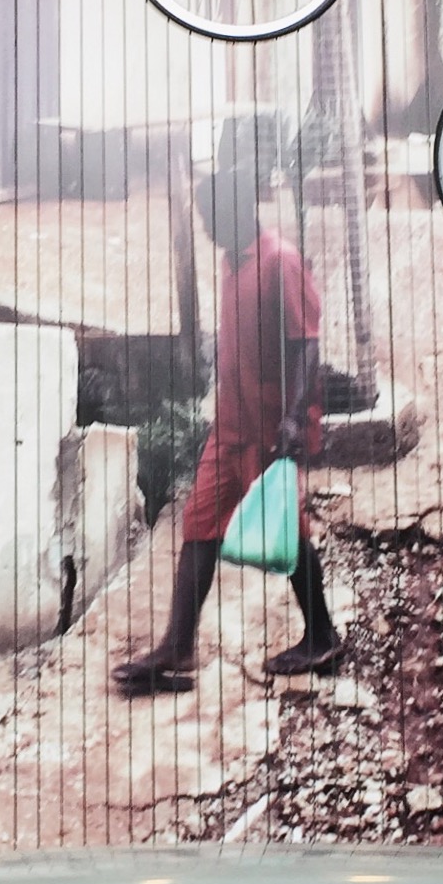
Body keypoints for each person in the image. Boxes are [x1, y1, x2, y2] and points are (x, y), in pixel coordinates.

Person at [114, 143, 341, 694]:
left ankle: (323, 636)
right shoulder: (231, 261)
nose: (208, 228)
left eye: (214, 218)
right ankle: (179, 645)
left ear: (242, 211)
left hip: (269, 427)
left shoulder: (280, 261)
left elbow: (307, 347)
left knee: (288, 533)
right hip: (230, 422)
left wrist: (293, 420)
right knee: (199, 524)